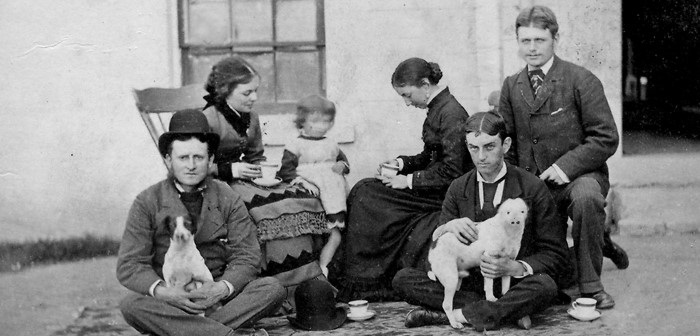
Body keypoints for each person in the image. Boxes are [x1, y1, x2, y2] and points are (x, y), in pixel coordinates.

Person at [498, 5, 628, 310]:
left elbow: (605, 137)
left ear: (556, 38)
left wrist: (564, 167)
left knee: (586, 200)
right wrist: (518, 183)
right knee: (546, 276)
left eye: (539, 40)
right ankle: (597, 246)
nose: (531, 48)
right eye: (525, 41)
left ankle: (592, 287)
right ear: (517, 42)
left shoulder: (580, 79)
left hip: (579, 176)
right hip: (534, 182)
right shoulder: (511, 86)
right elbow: (506, 142)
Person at [392, 111, 569, 331]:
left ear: (505, 145)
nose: (481, 157)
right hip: (468, 283)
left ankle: (456, 314)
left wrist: (515, 266)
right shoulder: (458, 188)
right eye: (473, 148)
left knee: (545, 286)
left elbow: (556, 255)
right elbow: (440, 251)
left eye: (489, 147)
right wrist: (447, 228)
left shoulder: (531, 187)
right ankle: (504, 312)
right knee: (402, 279)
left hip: (513, 283)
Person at [117, 110, 286, 336]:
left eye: (198, 157)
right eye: (182, 157)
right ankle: (226, 334)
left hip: (217, 296)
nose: (191, 165)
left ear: (211, 160)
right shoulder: (147, 201)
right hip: (173, 299)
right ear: (168, 159)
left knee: (272, 289)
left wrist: (221, 289)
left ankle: (185, 331)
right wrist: (164, 292)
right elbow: (130, 265)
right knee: (131, 304)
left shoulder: (227, 196)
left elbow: (247, 255)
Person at [333, 57, 473, 302]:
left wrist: (407, 181)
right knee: (365, 189)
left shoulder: (452, 114)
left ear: (426, 85)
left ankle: (368, 281)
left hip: (443, 196)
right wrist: (400, 164)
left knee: (367, 197)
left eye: (408, 95)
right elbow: (429, 156)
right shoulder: (438, 109)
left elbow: (453, 172)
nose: (407, 103)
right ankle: (360, 276)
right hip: (430, 187)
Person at [201, 56, 331, 311]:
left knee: (298, 196)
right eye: (247, 92)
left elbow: (256, 156)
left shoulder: (252, 117)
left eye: (256, 91)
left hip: (247, 179)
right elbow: (194, 166)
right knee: (267, 206)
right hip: (218, 183)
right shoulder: (209, 118)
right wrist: (230, 169)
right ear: (226, 91)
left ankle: (304, 287)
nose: (253, 97)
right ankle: (277, 289)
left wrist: (264, 172)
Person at [276, 95, 350, 279]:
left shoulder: (331, 144)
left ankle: (324, 266)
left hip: (334, 195)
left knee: (336, 234)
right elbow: (286, 170)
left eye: (326, 121)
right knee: (315, 235)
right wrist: (303, 181)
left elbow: (343, 161)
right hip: (309, 191)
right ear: (302, 121)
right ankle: (312, 269)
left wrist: (342, 166)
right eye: (315, 121)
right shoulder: (296, 144)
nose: (321, 126)